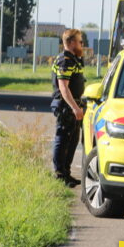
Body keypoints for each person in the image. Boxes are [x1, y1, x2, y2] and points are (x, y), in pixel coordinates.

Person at [51, 29, 85, 188]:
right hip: (67, 106)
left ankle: (67, 172)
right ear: (71, 43)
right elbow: (64, 88)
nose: (82, 44)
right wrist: (75, 107)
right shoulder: (65, 61)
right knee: (63, 139)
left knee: (72, 140)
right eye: (80, 41)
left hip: (73, 105)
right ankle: (60, 174)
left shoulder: (74, 59)